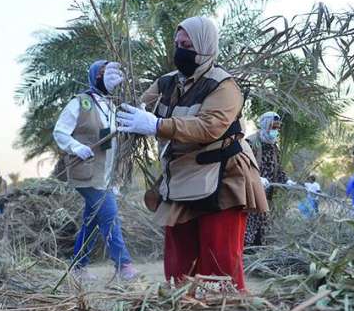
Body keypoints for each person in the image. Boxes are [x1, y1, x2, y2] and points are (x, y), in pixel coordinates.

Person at [114, 16, 268, 291]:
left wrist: (158, 125)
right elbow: (133, 108)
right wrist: (114, 91)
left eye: (187, 44)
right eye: (177, 44)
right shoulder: (167, 83)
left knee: (219, 265)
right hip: (182, 176)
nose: (179, 50)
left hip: (222, 176)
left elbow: (209, 127)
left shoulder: (224, 86)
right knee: (178, 266)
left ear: (204, 45)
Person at [53, 59, 137, 281]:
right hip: (86, 174)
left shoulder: (111, 105)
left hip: (105, 175)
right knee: (110, 216)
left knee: (91, 221)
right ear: (93, 75)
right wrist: (76, 147)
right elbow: (60, 131)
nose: (105, 75)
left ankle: (79, 268)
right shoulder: (80, 102)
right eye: (101, 72)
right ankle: (124, 265)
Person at [243, 111, 293, 246]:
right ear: (265, 125)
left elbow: (278, 168)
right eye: (273, 127)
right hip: (251, 193)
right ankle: (245, 252)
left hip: (267, 194)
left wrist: (286, 181)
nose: (275, 131)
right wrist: (256, 178)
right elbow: (242, 166)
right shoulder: (251, 142)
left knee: (262, 226)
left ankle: (257, 251)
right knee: (249, 224)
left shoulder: (273, 146)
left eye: (277, 128)